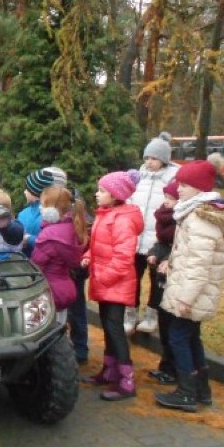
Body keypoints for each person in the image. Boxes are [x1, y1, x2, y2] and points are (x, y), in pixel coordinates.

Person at [156, 155, 224, 412]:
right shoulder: (196, 213)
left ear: (199, 188)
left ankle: (187, 391)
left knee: (179, 337)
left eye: (184, 185)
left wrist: (185, 298)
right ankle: (201, 390)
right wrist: (172, 261)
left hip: (191, 292)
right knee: (191, 338)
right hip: (191, 289)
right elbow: (189, 255)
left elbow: (199, 266)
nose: (178, 189)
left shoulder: (199, 219)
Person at [81, 169, 143, 401]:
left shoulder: (123, 220)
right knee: (108, 326)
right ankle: (109, 371)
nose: (97, 194)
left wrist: (104, 276)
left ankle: (127, 380)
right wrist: (88, 254)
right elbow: (98, 244)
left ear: (116, 195)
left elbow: (123, 257)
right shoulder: (106, 214)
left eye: (102, 191)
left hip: (115, 282)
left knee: (115, 328)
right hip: (105, 280)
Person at [129, 132, 179, 335]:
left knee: (157, 280)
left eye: (154, 159)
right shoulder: (137, 178)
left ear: (164, 160)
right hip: (135, 238)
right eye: (147, 158)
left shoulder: (172, 181)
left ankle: (151, 316)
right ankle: (130, 315)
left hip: (158, 241)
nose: (149, 162)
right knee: (132, 278)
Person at [31, 186, 89, 325]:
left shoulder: (50, 235)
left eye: (42, 204)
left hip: (47, 292)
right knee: (59, 329)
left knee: (41, 333)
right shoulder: (72, 228)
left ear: (51, 210)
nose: (40, 208)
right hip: (64, 288)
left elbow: (36, 265)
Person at [145, 179, 180, 385]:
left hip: (174, 277)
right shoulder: (163, 216)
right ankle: (166, 366)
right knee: (163, 320)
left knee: (172, 324)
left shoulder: (181, 220)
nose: (167, 201)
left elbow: (178, 246)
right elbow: (161, 242)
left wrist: (167, 259)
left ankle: (173, 368)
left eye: (171, 198)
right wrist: (155, 253)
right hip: (160, 274)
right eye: (166, 197)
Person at [17, 167, 67, 256]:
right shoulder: (24, 213)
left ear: (37, 192)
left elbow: (52, 243)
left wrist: (29, 239)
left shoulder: (54, 217)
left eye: (28, 189)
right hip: (24, 264)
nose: (24, 192)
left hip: (44, 264)